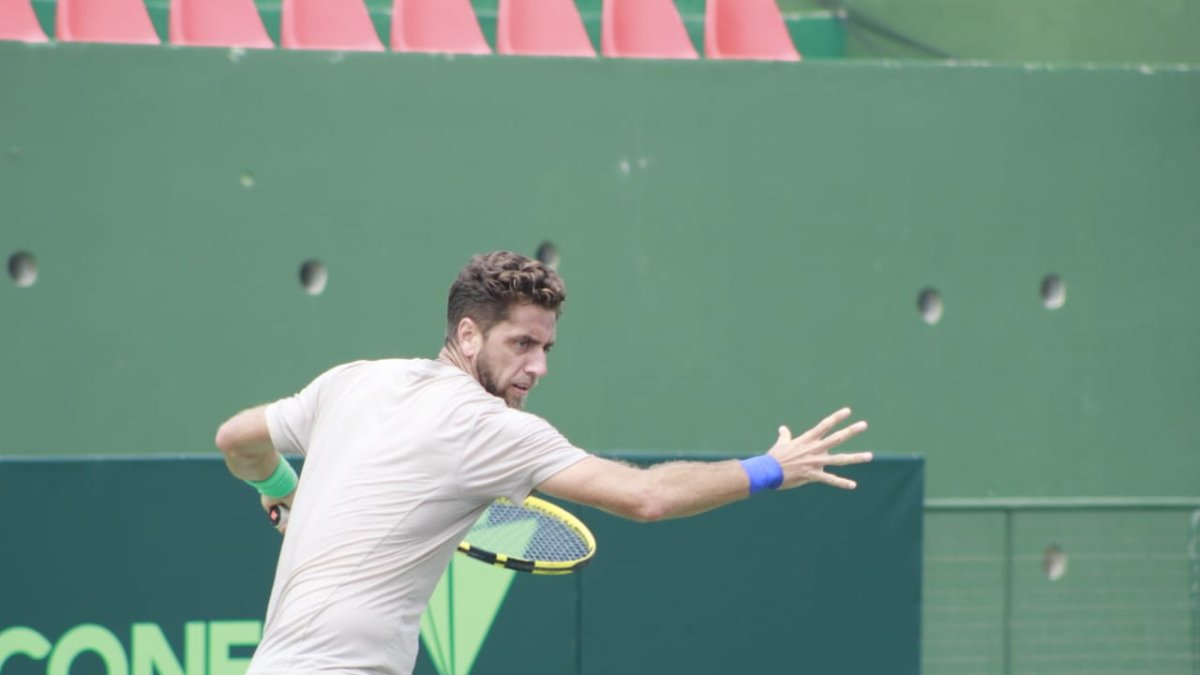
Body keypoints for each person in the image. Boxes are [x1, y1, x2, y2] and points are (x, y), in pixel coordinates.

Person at [215, 250, 872, 675]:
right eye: (522, 343)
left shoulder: (353, 381)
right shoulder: (490, 427)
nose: (538, 366)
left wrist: (281, 488)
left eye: (548, 346)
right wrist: (771, 467)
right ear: (468, 334)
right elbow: (646, 496)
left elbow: (235, 437)